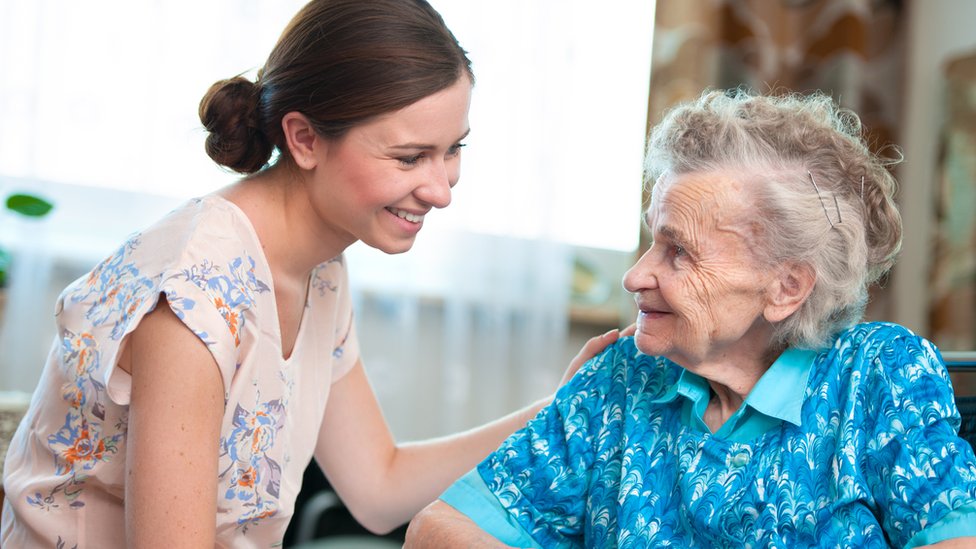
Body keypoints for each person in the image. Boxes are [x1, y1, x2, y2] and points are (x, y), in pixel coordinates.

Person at [0, 1, 624, 546]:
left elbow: (378, 487)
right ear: (303, 139)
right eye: (410, 157)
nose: (441, 190)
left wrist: (562, 409)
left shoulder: (320, 270)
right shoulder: (194, 297)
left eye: (453, 149)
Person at [405, 89, 976, 548]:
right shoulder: (624, 374)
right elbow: (436, 531)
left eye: (678, 251)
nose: (635, 277)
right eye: (653, 241)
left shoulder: (878, 375)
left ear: (786, 288)